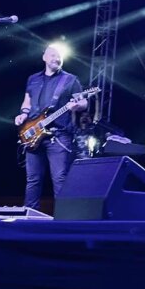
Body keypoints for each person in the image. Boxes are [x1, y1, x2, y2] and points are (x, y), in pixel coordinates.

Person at [14, 45, 89, 209]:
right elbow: (27, 102)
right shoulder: (33, 79)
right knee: (33, 179)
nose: (57, 58)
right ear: (44, 57)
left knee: (60, 178)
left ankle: (63, 216)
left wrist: (76, 106)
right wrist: (23, 115)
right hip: (33, 133)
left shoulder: (70, 80)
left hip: (59, 136)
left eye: (59, 56)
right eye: (53, 55)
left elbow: (83, 102)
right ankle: (30, 214)